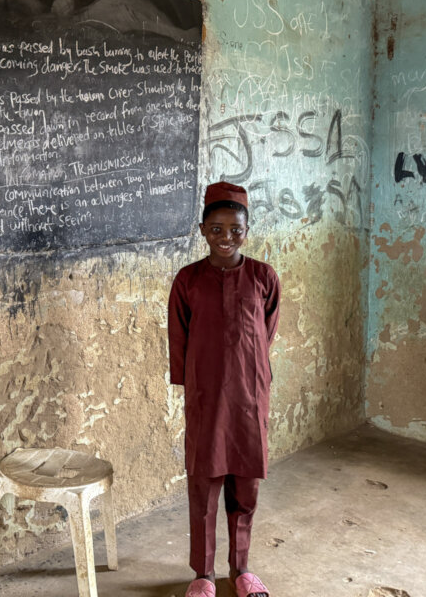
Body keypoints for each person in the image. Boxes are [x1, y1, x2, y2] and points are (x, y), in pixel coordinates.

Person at [168, 182, 280, 597]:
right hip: (207, 396)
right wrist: (193, 381)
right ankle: (203, 574)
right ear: (202, 230)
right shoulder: (188, 280)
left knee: (245, 485)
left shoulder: (263, 277)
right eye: (216, 229)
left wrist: (249, 369)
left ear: (247, 230)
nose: (226, 237)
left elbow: (265, 332)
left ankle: (242, 570)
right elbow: (179, 336)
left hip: (251, 399)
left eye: (235, 229)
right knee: (204, 483)